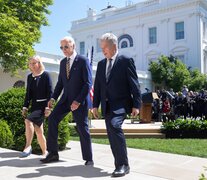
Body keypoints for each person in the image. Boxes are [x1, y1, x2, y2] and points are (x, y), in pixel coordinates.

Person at [92, 33, 141, 177]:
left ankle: (123, 165)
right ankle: (118, 164)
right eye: (101, 48)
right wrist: (95, 105)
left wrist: (136, 105)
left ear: (114, 46)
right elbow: (98, 86)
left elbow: (134, 84)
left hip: (121, 104)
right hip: (107, 106)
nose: (103, 51)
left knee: (114, 125)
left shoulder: (125, 61)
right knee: (111, 134)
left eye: (105, 47)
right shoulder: (101, 64)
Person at [41, 36, 93, 165]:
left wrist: (78, 101)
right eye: (61, 47)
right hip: (65, 100)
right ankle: (53, 153)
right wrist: (53, 98)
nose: (63, 49)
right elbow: (60, 83)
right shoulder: (63, 62)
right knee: (52, 119)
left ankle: (89, 158)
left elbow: (88, 83)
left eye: (66, 47)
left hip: (79, 101)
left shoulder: (83, 60)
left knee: (82, 128)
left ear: (73, 46)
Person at [21, 56, 53, 158]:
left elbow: (50, 93)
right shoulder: (30, 77)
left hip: (43, 107)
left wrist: (49, 108)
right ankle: (45, 152)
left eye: (35, 63)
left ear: (39, 63)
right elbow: (28, 93)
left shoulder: (46, 75)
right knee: (39, 131)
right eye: (31, 63)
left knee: (28, 121)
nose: (33, 65)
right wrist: (25, 107)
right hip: (34, 106)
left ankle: (28, 146)